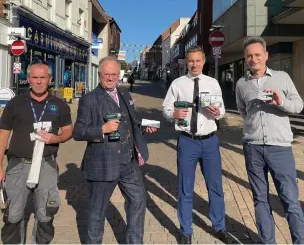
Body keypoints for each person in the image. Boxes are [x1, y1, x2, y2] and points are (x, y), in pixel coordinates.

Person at [73, 56, 157, 244]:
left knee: (138, 200)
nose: (110, 78)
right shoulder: (89, 99)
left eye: (114, 74)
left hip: (128, 162)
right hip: (103, 164)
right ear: (99, 75)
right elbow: (78, 132)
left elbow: (131, 123)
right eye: (106, 75)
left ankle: (134, 242)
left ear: (119, 75)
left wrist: (145, 127)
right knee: (97, 211)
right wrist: (101, 130)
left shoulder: (125, 94)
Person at [236, 37, 304, 244]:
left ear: (266, 56)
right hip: (253, 148)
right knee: (260, 200)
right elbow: (242, 111)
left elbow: (298, 105)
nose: (253, 59)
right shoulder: (241, 84)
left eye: (257, 55)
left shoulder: (282, 78)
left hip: (280, 148)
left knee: (290, 200)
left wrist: (280, 102)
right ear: (245, 59)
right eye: (249, 56)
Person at [0, 60, 73, 244]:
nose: (39, 81)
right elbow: (3, 134)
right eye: (35, 77)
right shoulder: (16, 103)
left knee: (46, 213)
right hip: (18, 165)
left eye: (43, 77)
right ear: (28, 79)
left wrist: (55, 138)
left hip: (46, 165)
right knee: (13, 214)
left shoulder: (60, 104)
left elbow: (68, 131)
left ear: (50, 79)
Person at [162, 46, 230, 244]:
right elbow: (166, 107)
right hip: (187, 141)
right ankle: (186, 231)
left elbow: (223, 110)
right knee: (185, 187)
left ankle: (219, 226)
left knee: (215, 186)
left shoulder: (213, 83)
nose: (194, 64)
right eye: (191, 61)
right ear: (186, 63)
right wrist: (173, 114)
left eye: (198, 60)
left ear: (203, 61)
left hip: (210, 141)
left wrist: (217, 112)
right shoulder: (177, 84)